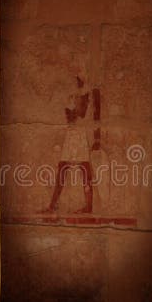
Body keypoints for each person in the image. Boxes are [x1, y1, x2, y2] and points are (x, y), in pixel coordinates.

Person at [44, 76, 101, 214]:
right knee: (63, 168)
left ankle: (88, 206)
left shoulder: (90, 91)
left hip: (80, 134)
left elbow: (87, 114)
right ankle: (53, 205)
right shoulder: (76, 93)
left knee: (84, 169)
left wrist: (97, 139)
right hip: (72, 133)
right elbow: (70, 116)